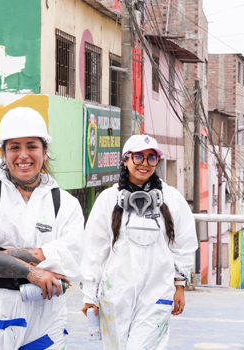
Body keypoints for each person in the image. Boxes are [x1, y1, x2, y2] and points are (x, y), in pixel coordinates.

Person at [0, 107, 85, 349]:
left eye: (32, 146)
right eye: (14, 147)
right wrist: (35, 270)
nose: (24, 155)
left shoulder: (65, 204)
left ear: (45, 151)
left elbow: (71, 258)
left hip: (47, 314)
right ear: (3, 153)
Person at [81, 134, 198, 349]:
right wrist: (89, 294)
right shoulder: (108, 199)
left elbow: (183, 244)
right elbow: (94, 250)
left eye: (151, 158)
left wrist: (179, 285)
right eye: (138, 157)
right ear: (125, 160)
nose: (145, 163)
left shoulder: (172, 198)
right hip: (115, 293)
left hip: (157, 293)